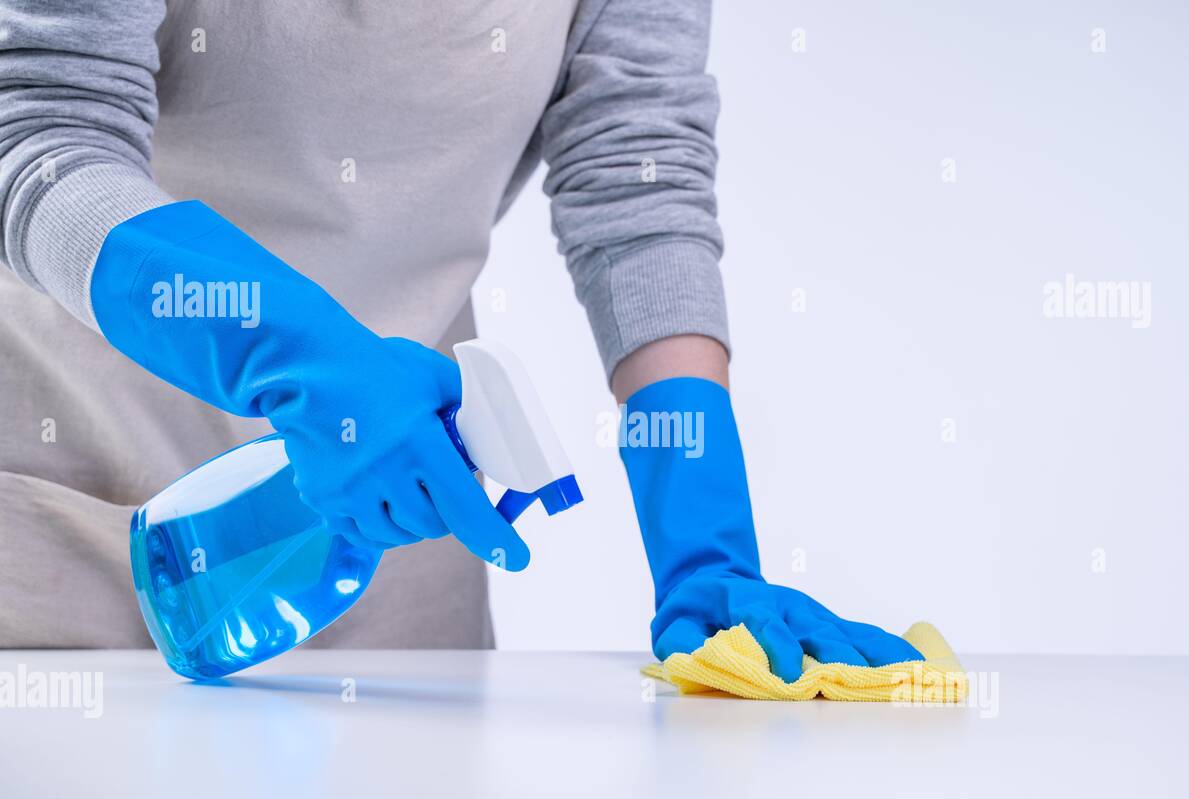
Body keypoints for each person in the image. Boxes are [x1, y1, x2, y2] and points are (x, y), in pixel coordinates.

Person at [0, 0, 920, 679]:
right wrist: (294, 351)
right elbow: (41, 135)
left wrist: (704, 541)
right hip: (83, 515)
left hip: (401, 546)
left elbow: (638, 185)